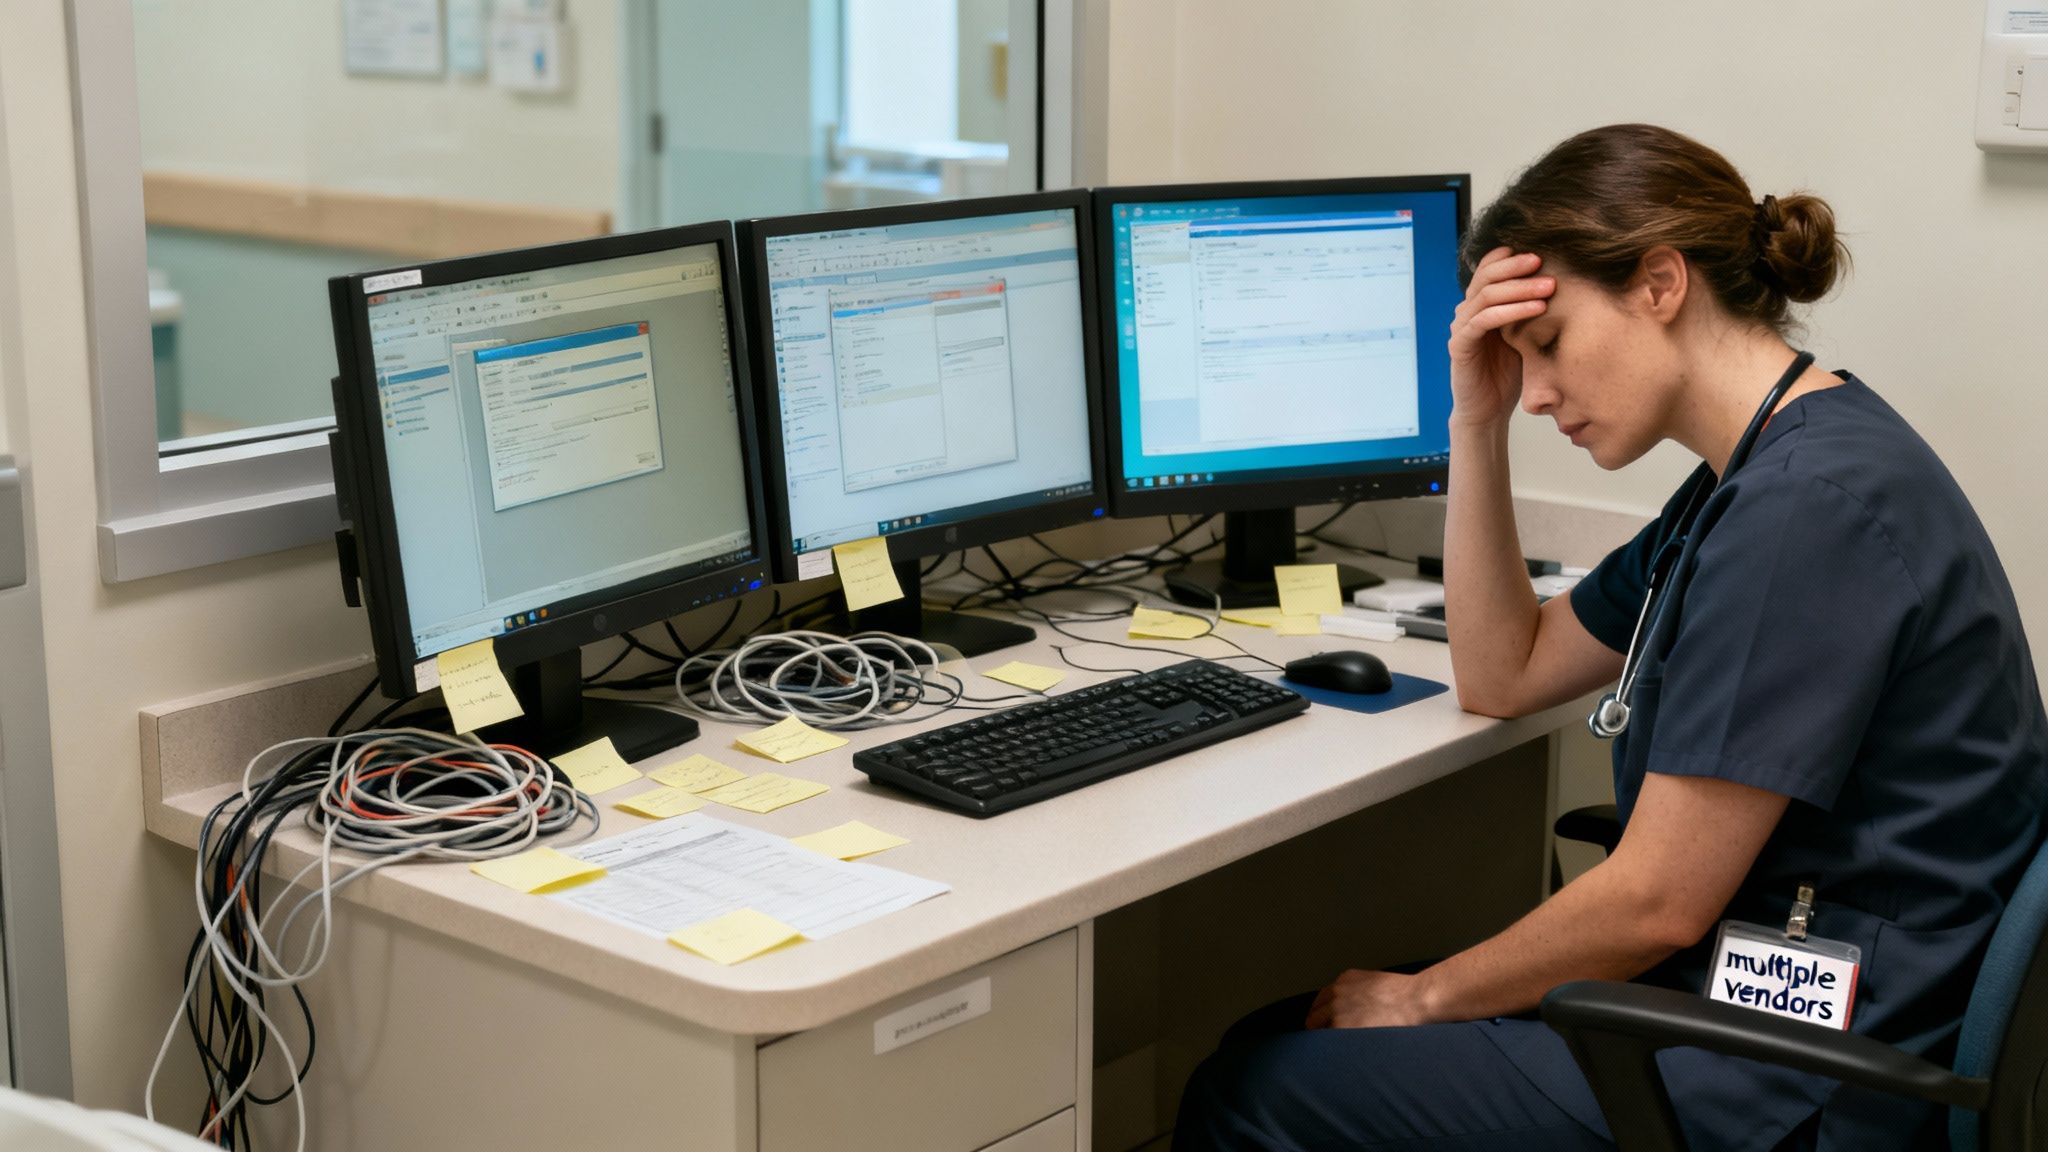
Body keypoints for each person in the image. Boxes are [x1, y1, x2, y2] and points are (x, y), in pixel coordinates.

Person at [1172, 123, 2048, 1151]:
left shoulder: (1802, 511)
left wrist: (1420, 1001)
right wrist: (1475, 422)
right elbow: (1506, 671)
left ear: (1658, 284)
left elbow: (1655, 908)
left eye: (1544, 347)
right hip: (1778, 999)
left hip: (1794, 1071)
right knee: (1287, 1035)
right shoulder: (1761, 470)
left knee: (1258, 1086)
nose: (1536, 391)